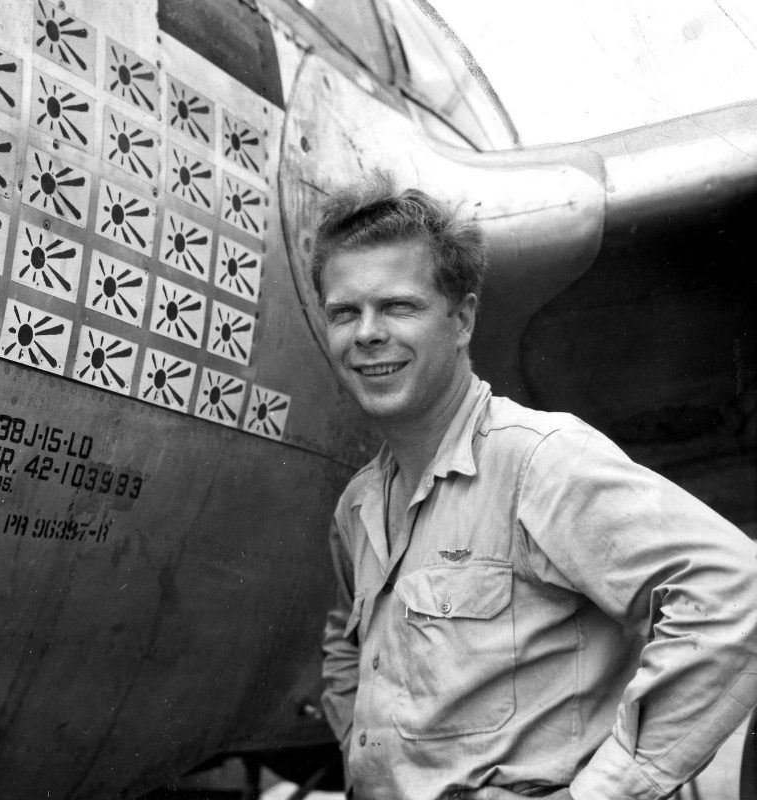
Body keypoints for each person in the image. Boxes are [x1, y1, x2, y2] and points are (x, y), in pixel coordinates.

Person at [313, 174, 757, 800]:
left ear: (462, 319)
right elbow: (346, 650)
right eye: (344, 312)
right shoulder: (358, 506)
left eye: (398, 306)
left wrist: (603, 792)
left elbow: (737, 595)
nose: (366, 334)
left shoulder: (540, 462)